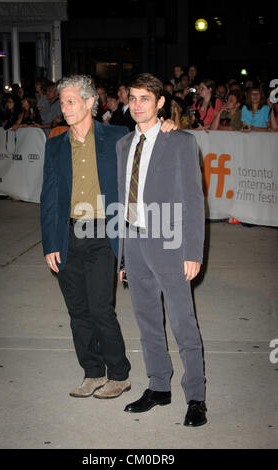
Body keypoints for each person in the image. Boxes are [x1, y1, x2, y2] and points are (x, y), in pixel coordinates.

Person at [116, 73, 207, 427]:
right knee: (148, 321)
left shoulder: (181, 141)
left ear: (160, 103)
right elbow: (124, 201)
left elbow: (194, 201)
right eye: (133, 98)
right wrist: (123, 255)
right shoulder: (123, 144)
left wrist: (193, 252)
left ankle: (196, 396)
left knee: (184, 323)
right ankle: (158, 387)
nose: (137, 105)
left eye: (144, 99)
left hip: (170, 243)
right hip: (134, 242)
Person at [40, 74, 131, 400]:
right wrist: (50, 243)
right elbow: (49, 197)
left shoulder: (118, 136)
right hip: (66, 236)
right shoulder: (55, 145)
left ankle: (119, 374)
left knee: (100, 308)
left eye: (70, 101)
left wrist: (169, 127)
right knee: (77, 310)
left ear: (90, 103)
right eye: (62, 101)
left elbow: (150, 152)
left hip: (101, 234)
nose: (63, 108)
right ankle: (92, 372)